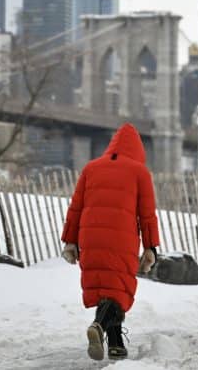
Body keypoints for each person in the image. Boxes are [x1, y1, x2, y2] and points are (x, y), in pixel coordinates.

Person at [61, 122, 159, 361]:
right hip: (121, 238)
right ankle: (98, 325)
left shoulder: (91, 168)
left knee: (107, 287)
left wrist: (70, 241)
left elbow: (76, 207)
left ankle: (115, 344)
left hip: (90, 236)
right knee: (118, 289)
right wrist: (150, 246)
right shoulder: (140, 172)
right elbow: (147, 215)